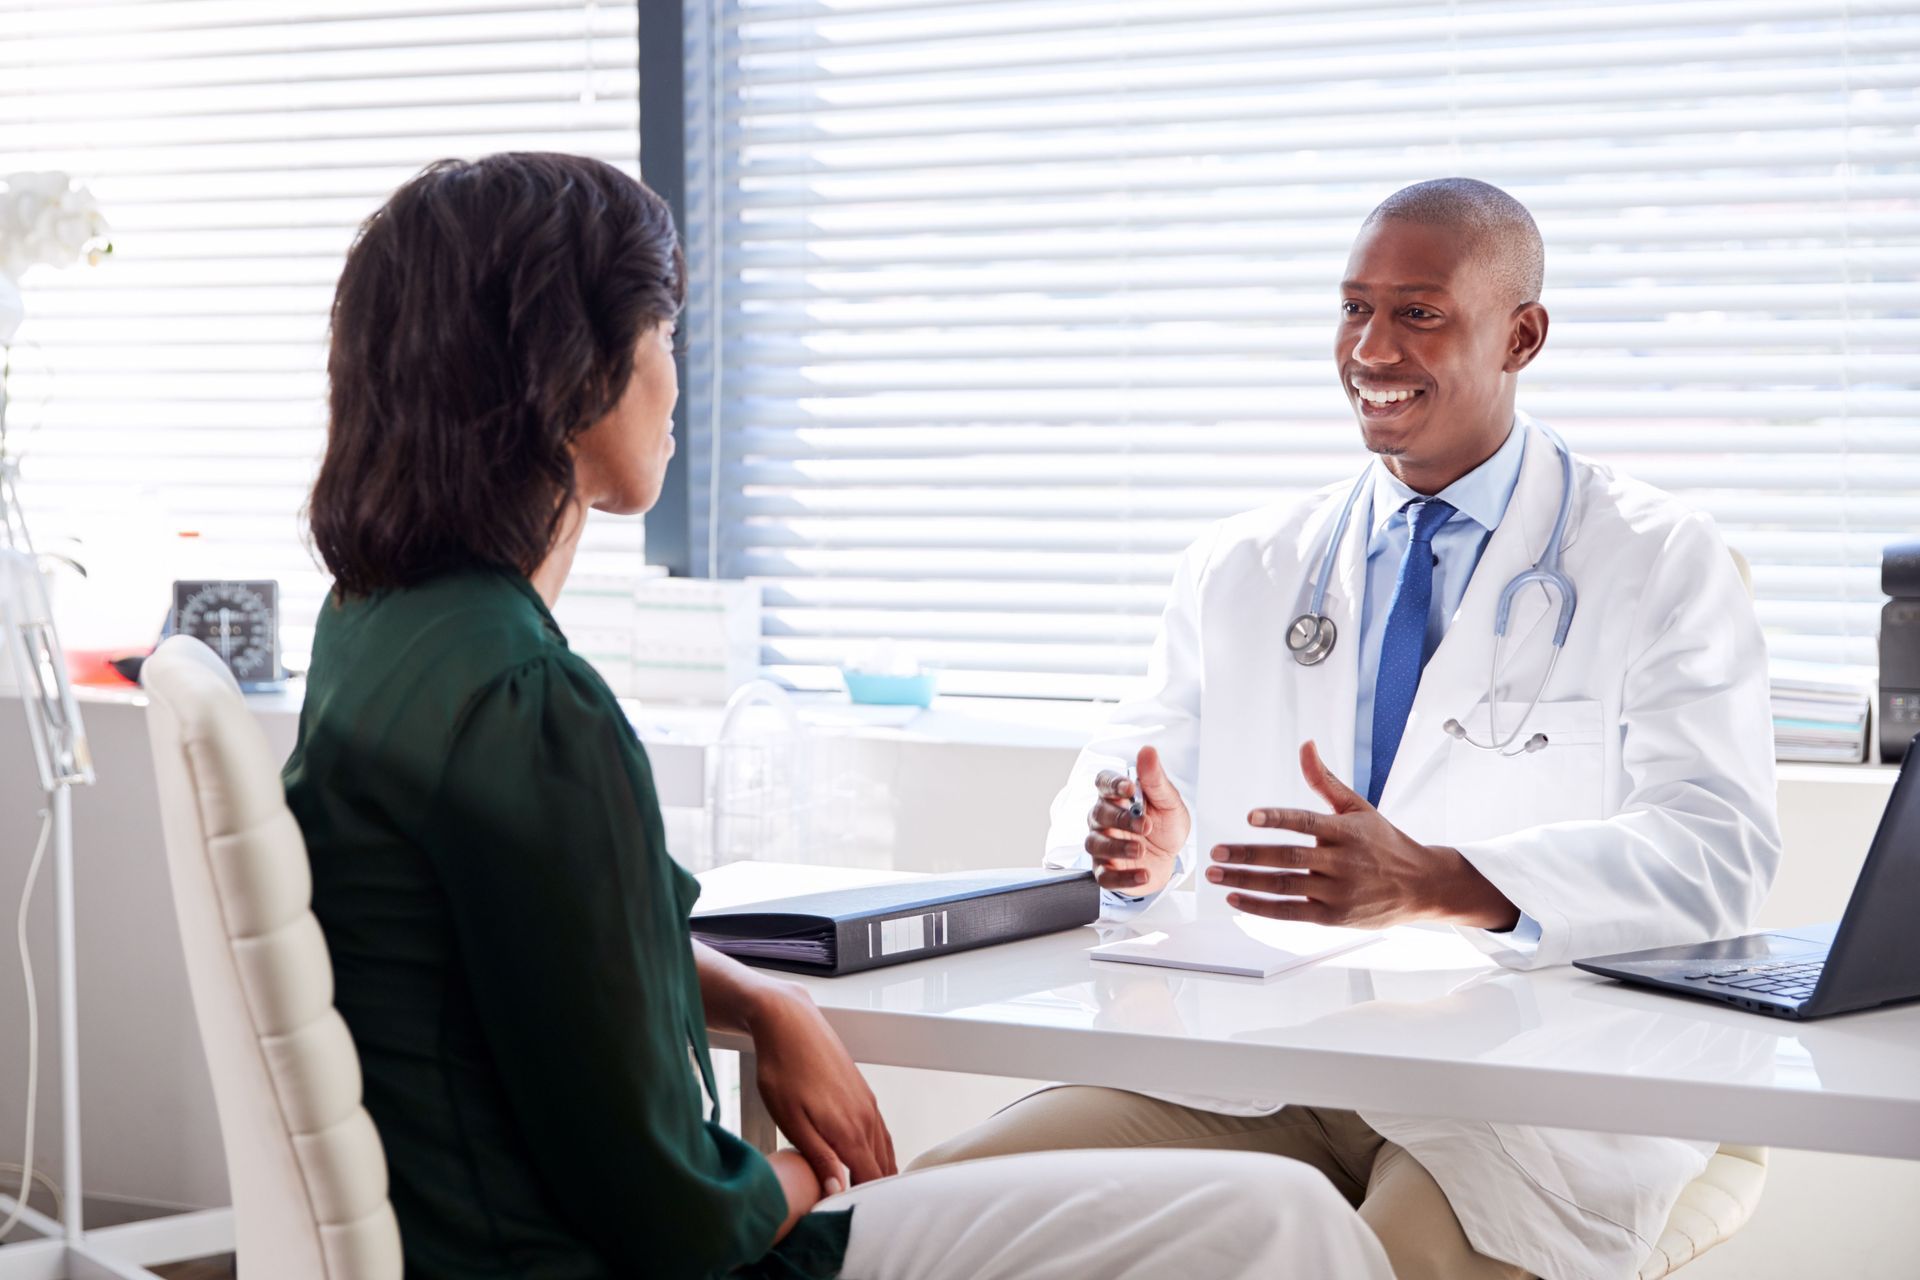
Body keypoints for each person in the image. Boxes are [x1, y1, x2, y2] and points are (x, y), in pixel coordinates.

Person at [284, 151, 1397, 1280]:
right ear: (572, 376)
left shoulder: (378, 630)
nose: (678, 381)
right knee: (1280, 1216)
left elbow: (578, 939)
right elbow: (679, 1220)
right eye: (665, 335)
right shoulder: (532, 708)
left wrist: (762, 999)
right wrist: (836, 1175)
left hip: (463, 1230)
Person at [913, 178, 1782, 1280]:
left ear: (1523, 334)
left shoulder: (1657, 557)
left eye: (1417, 312)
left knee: (1379, 1267)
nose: (1370, 347)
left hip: (1518, 1087)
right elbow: (1111, 813)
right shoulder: (1243, 564)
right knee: (942, 1212)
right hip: (1255, 1058)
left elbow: (1717, 854)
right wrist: (1135, 856)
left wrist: (1443, 878)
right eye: (1353, 307)